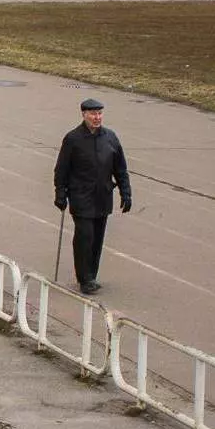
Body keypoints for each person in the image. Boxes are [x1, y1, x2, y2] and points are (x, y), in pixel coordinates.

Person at [53, 97, 131, 295]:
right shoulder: (73, 139)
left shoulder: (110, 138)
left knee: (97, 238)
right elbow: (61, 169)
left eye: (99, 113)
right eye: (93, 114)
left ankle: (91, 275)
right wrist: (60, 193)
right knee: (84, 236)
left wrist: (126, 193)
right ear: (84, 114)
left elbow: (120, 168)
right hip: (81, 197)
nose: (97, 117)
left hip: (102, 196)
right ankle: (84, 278)